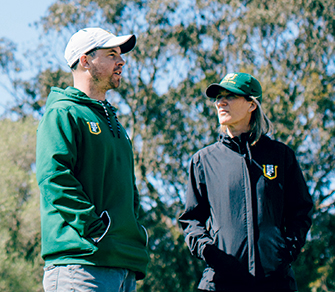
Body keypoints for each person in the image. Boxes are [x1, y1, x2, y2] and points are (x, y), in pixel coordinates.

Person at [36, 27, 149, 292]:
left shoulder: (116, 125)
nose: (121, 61)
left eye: (120, 55)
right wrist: (95, 229)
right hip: (80, 264)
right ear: (85, 60)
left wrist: (134, 230)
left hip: (123, 263)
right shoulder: (63, 113)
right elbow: (53, 178)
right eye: (111, 54)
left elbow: (128, 189)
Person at [179, 72, 313, 292]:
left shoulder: (281, 156)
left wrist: (288, 249)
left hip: (276, 283)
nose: (220, 102)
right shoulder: (203, 161)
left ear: (252, 105)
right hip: (221, 283)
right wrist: (210, 252)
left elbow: (301, 210)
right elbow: (191, 220)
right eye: (218, 97)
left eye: (230, 96)